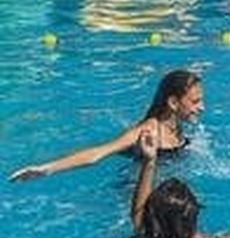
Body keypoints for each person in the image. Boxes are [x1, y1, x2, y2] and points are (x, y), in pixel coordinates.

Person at [8, 68, 206, 183]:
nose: (202, 107)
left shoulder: (178, 125)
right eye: (195, 101)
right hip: (134, 191)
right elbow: (97, 154)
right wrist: (46, 169)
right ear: (173, 103)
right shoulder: (149, 130)